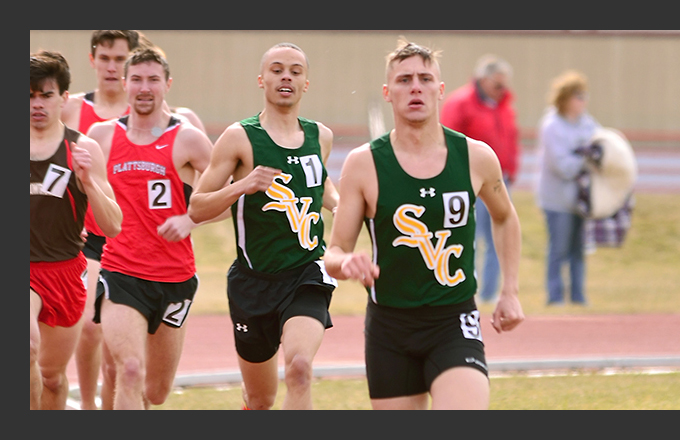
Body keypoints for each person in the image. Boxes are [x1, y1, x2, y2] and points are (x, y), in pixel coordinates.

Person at [323, 39, 524, 410]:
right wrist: (346, 264)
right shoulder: (363, 164)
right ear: (388, 92)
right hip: (389, 327)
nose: (415, 86)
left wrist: (509, 290)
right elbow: (334, 253)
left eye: (425, 78)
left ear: (440, 89)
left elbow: (505, 216)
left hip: (454, 319)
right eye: (404, 80)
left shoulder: (475, 157)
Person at [188, 42, 339, 410]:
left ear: (306, 83)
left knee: (300, 368)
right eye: (276, 69)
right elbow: (196, 207)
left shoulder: (321, 136)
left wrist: (344, 206)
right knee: (260, 400)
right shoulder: (240, 137)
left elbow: (323, 187)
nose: (285, 76)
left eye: (295, 70)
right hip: (253, 283)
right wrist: (243, 185)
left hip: (306, 273)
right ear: (262, 80)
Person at [86, 48, 221, 410]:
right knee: (128, 369)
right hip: (121, 272)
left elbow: (227, 200)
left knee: (156, 392)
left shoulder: (188, 139)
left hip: (175, 277)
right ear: (125, 84)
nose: (144, 88)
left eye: (153, 80)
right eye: (137, 80)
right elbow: (80, 191)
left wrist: (191, 219)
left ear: (167, 84)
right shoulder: (101, 137)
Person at [30, 50, 122, 410]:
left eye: (46, 94)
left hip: (65, 272)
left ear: (64, 98)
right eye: (29, 95)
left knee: (52, 378)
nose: (37, 103)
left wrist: (88, 184)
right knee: (27, 346)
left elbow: (113, 224)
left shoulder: (83, 148)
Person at [60, 29, 140, 411]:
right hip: (89, 236)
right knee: (90, 327)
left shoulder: (142, 106)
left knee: (117, 350)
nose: (112, 67)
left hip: (133, 237)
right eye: (105, 58)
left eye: (121, 59)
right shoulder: (72, 109)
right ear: (92, 59)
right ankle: (88, 406)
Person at [440, 54, 521, 303]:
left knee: (500, 230)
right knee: (467, 236)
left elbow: (510, 139)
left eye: (504, 85)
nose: (502, 90)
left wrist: (512, 169)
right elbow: (445, 139)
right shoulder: (461, 102)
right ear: (483, 80)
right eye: (497, 85)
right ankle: (464, 287)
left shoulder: (504, 106)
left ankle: (489, 293)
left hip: (498, 179)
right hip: (467, 181)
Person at [535, 69, 601, 306]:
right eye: (578, 96)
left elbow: (600, 146)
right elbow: (562, 166)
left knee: (579, 250)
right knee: (559, 249)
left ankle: (578, 297)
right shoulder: (552, 125)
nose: (583, 101)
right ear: (565, 98)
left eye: (585, 96)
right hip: (557, 200)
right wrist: (585, 160)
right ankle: (555, 297)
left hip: (580, 200)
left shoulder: (587, 123)